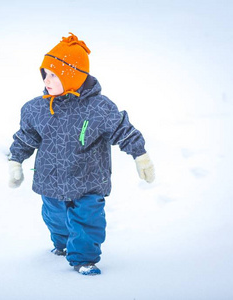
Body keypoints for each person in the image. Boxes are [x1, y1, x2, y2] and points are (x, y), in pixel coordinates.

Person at [8, 33, 155, 276]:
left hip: (88, 178)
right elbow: (26, 137)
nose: (47, 80)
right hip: (50, 179)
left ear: (73, 75)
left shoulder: (98, 108)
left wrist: (140, 156)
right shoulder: (36, 108)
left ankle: (84, 258)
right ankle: (63, 245)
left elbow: (123, 130)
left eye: (54, 74)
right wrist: (15, 161)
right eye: (45, 73)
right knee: (55, 217)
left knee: (87, 219)